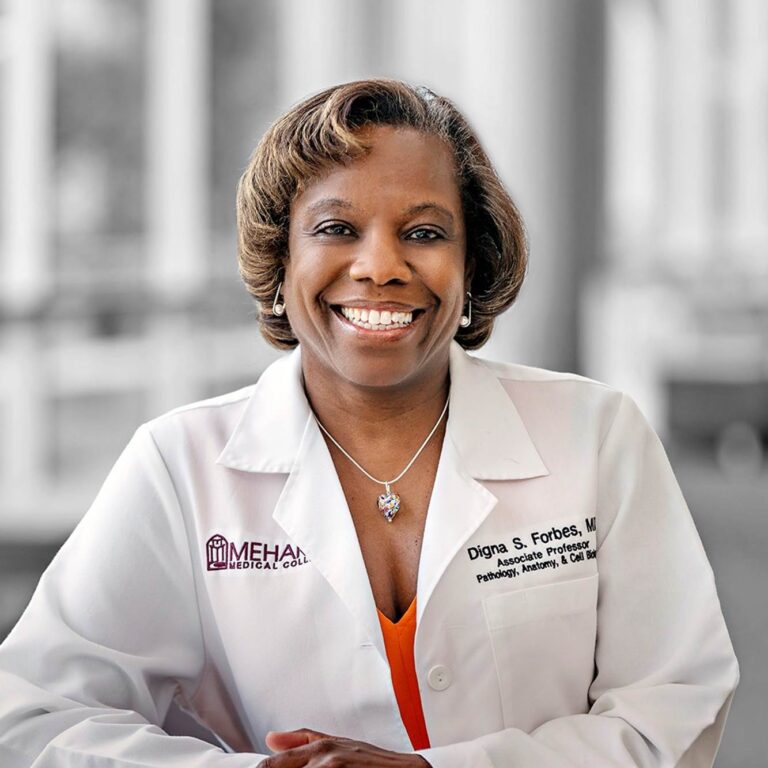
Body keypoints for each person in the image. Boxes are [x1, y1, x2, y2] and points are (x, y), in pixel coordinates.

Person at [0, 79, 738, 768]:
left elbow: (675, 707)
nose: (380, 266)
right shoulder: (181, 464)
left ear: (473, 265)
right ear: (279, 261)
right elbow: (35, 718)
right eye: (335, 227)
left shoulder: (596, 434)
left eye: (423, 233)